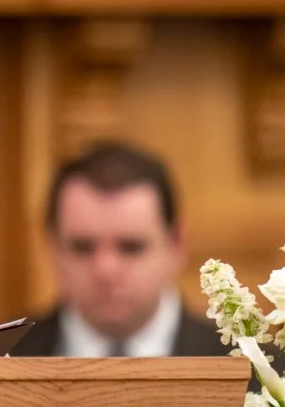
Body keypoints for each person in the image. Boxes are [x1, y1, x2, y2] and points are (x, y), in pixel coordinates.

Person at [12, 142, 227, 358]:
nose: (106, 270)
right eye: (83, 248)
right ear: (53, 247)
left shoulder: (252, 370)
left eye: (131, 247)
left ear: (176, 245)